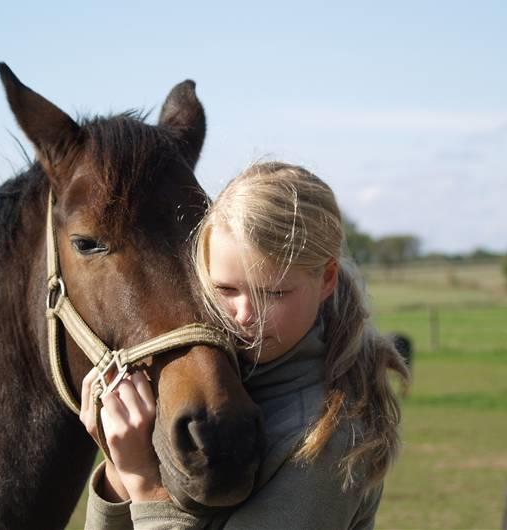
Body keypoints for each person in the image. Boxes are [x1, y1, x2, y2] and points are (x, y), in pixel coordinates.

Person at [80, 161, 409, 529]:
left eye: (275, 292)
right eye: (225, 289)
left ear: (327, 279)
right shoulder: (205, 390)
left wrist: (142, 480)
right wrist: (116, 471)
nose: (244, 315)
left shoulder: (329, 439)